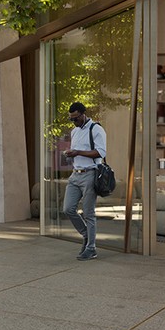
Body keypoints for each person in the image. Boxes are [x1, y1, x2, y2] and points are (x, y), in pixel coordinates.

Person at [62, 101, 107, 261]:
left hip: (90, 174)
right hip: (75, 175)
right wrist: (70, 155)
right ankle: (86, 235)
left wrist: (78, 152)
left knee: (89, 213)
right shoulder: (74, 131)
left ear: (83, 114)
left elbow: (100, 152)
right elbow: (76, 153)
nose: (74, 122)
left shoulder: (96, 129)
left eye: (76, 118)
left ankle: (91, 248)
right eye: (71, 119)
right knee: (68, 209)